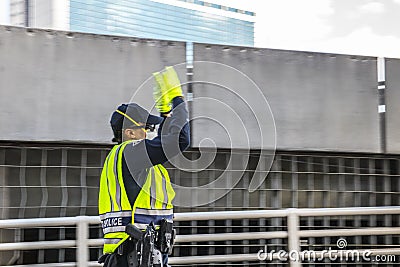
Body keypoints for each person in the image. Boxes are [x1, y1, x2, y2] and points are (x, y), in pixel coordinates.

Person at [98, 66, 190, 266]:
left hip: (139, 255)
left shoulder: (125, 158)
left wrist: (166, 113)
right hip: (134, 257)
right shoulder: (132, 153)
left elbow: (167, 141)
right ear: (130, 132)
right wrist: (177, 99)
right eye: (145, 129)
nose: (148, 133)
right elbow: (180, 140)